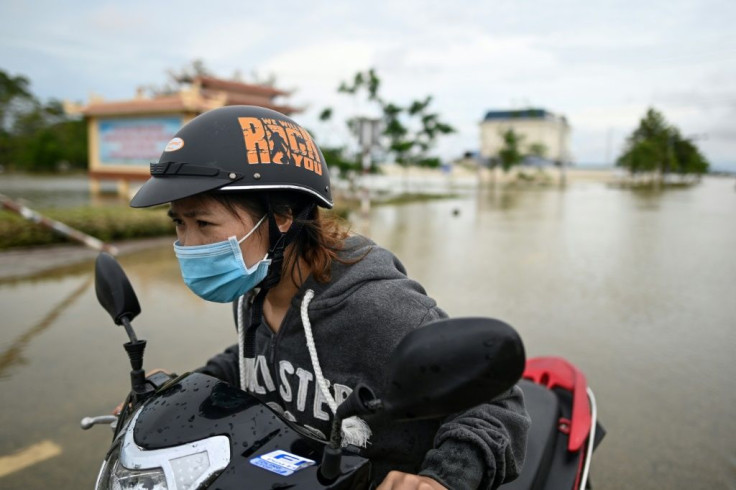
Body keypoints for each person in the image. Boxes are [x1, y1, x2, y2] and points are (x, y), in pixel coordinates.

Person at [129, 105, 530, 489]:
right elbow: (254, 356)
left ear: (282, 216)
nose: (188, 244)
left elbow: (497, 403)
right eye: (180, 223)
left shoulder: (376, 309)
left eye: (204, 223)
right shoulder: (256, 285)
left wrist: (441, 478)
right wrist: (178, 395)